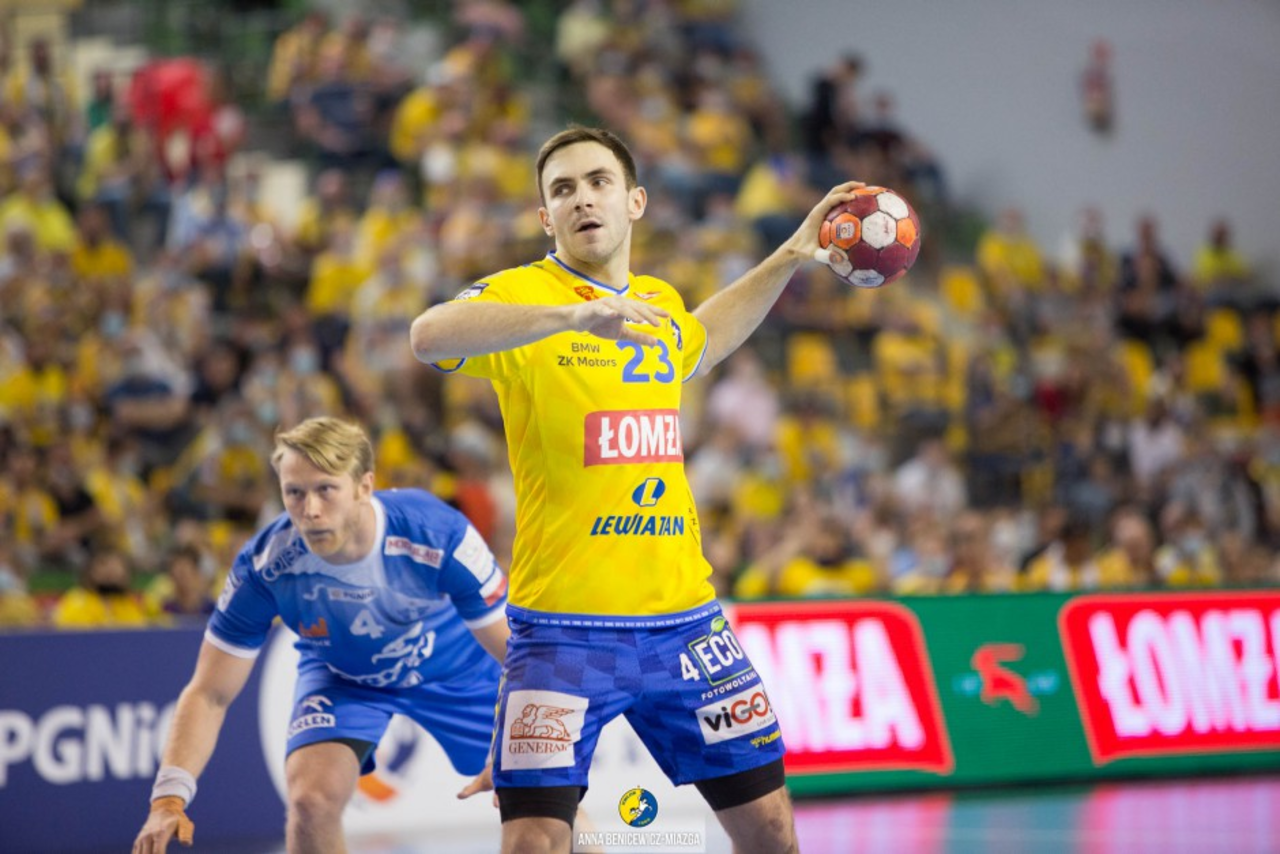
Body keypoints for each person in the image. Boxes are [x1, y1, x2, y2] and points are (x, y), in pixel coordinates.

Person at [410, 126, 858, 854]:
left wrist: (790, 253)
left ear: (635, 201)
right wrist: (574, 315)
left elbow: (702, 341)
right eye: (563, 190)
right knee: (532, 842)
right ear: (546, 217)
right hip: (562, 635)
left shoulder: (655, 300)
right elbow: (429, 335)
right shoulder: (526, 296)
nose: (582, 199)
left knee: (773, 831)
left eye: (598, 182)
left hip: (686, 627)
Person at [132, 416, 510, 854]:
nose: (310, 510)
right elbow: (209, 693)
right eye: (294, 493)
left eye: (326, 489)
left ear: (364, 487)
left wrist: (518, 737)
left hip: (459, 668)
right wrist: (168, 798)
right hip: (344, 676)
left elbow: (519, 653)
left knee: (539, 808)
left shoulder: (435, 532)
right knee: (311, 802)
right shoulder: (266, 566)